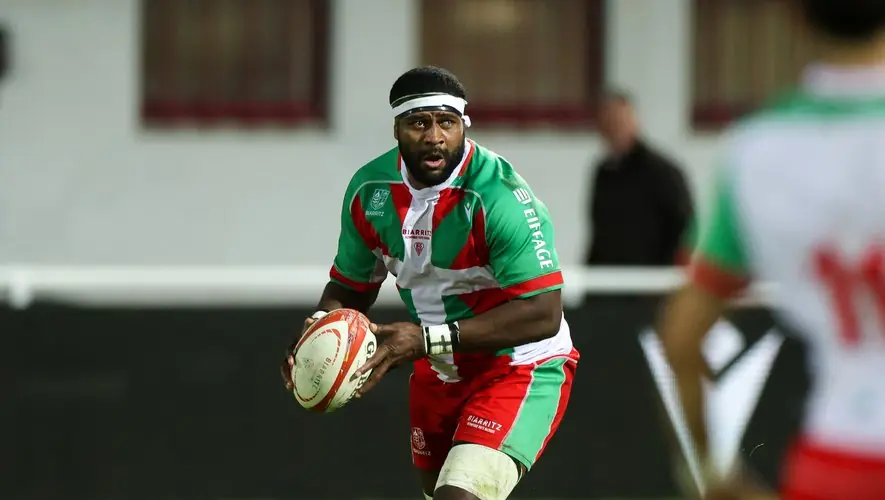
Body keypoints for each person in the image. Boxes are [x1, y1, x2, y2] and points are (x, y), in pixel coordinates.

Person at [280, 66, 579, 500]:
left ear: (463, 126)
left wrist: (424, 339)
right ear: (397, 129)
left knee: (458, 495)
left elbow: (543, 313)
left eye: (447, 123)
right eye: (419, 123)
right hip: (438, 370)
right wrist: (318, 330)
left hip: (517, 367)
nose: (435, 137)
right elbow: (351, 288)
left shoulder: (500, 197)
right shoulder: (370, 190)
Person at [657, 0, 885, 498]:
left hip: (837, 455)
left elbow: (682, 335)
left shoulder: (757, 149)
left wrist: (711, 472)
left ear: (796, 15)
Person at [585, 90, 694, 267]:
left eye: (618, 122)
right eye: (608, 124)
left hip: (651, 277)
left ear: (633, 122)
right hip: (608, 277)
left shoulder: (662, 171)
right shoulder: (603, 173)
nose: (613, 130)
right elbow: (600, 233)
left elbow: (685, 228)